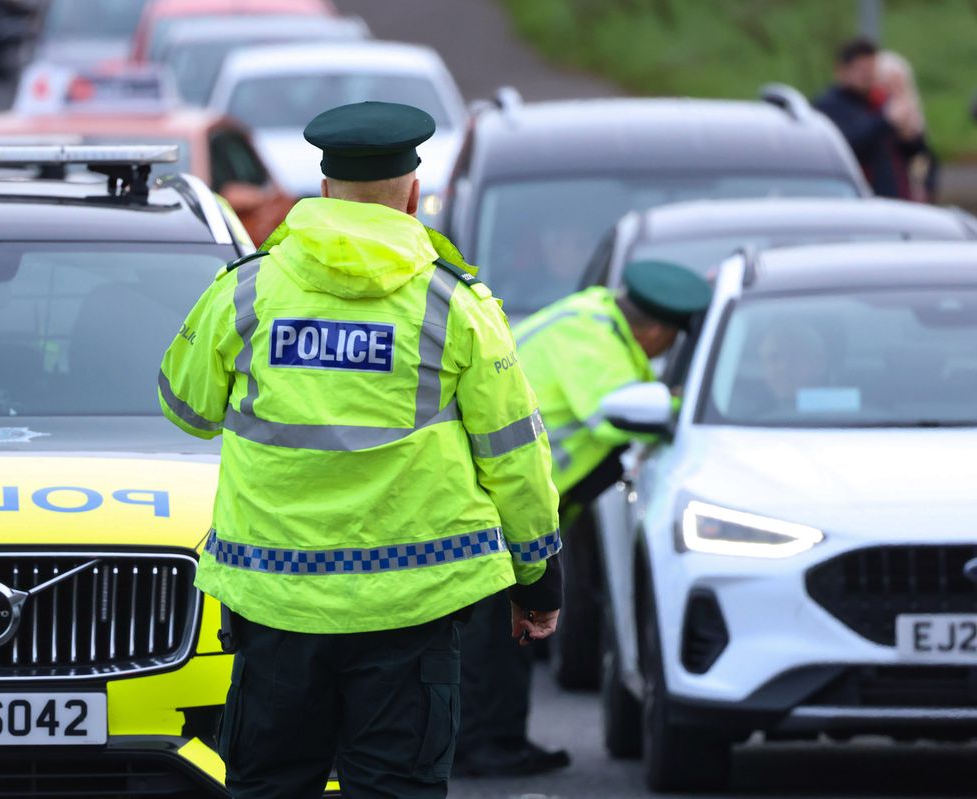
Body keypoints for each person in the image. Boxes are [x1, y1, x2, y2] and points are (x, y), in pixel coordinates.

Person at [158, 100, 564, 799]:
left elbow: (186, 408)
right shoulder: (454, 306)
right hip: (412, 607)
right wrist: (538, 581)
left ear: (323, 192)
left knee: (273, 784)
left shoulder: (248, 291)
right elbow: (515, 458)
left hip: (274, 603)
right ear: (412, 194)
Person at [455, 261, 711, 766]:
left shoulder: (593, 317)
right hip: (494, 506)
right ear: (656, 330)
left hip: (497, 501)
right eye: (671, 341)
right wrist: (700, 403)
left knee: (506, 630)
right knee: (494, 635)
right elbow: (616, 413)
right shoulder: (593, 349)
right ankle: (484, 746)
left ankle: (495, 739)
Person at [814, 37, 922, 199]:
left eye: (872, 69)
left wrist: (908, 134)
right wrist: (885, 121)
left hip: (893, 198)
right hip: (855, 199)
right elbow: (845, 146)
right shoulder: (828, 106)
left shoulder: (881, 100)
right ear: (842, 71)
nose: (869, 76)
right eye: (862, 70)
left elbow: (913, 152)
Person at [875, 50, 939, 203]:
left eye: (900, 84)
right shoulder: (872, 114)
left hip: (909, 194)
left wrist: (924, 187)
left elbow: (924, 157)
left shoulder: (911, 112)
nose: (895, 91)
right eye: (888, 85)